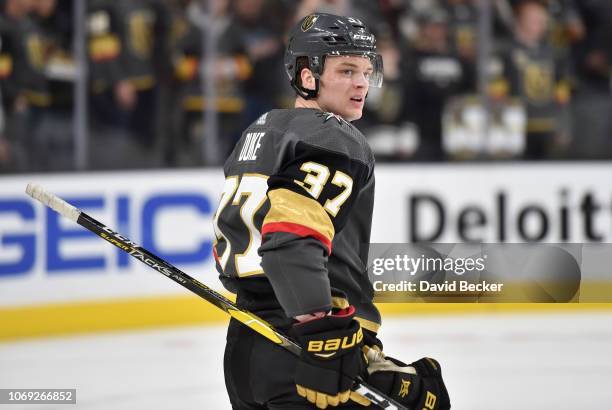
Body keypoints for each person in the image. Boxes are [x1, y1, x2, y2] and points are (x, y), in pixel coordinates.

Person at [212, 13, 450, 409]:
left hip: (247, 347)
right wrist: (322, 330)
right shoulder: (332, 136)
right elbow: (290, 239)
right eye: (346, 70)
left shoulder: (261, 130)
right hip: (309, 350)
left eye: (366, 72)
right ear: (307, 75)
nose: (361, 83)